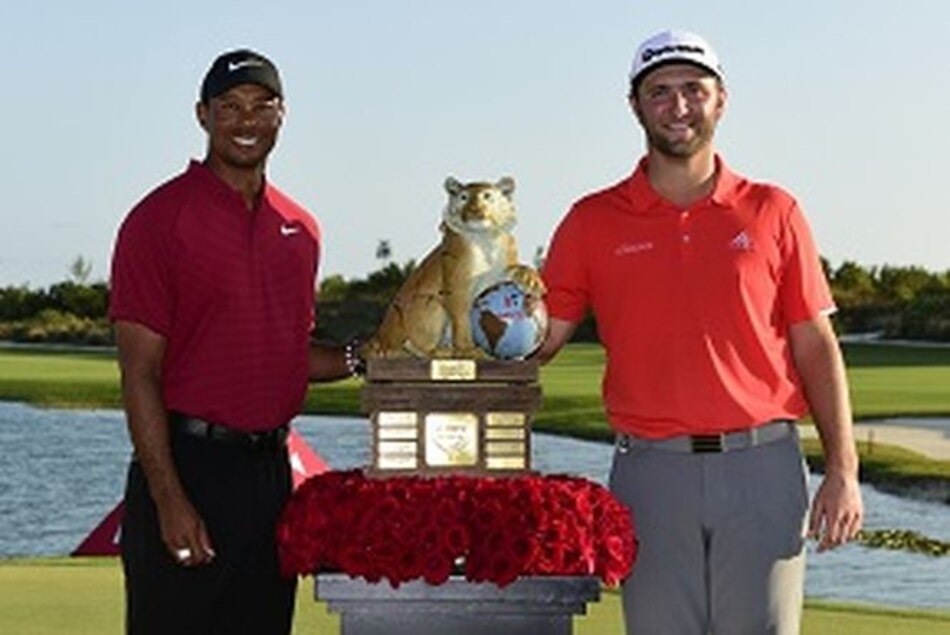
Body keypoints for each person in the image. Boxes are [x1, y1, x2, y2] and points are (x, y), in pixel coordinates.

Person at [537, 30, 864, 634]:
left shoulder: (774, 210)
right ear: (635, 106)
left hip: (762, 465)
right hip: (650, 474)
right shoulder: (591, 221)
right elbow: (540, 339)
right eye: (659, 92)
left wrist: (843, 470)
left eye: (694, 89)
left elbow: (815, 344)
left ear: (721, 100)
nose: (678, 105)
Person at [109, 49, 363, 634]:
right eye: (230, 107)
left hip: (271, 477)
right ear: (203, 115)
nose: (246, 121)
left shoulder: (300, 229)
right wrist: (168, 497)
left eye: (261, 106)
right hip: (188, 465)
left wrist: (362, 356)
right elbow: (140, 373)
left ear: (282, 115)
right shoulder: (158, 220)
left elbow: (288, 353)